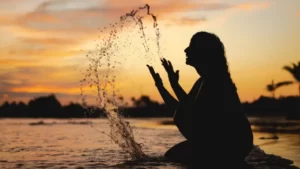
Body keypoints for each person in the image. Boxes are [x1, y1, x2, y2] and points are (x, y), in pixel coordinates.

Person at [147, 31, 253, 168]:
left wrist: (174, 84)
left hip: (232, 146)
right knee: (171, 155)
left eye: (191, 46)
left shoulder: (216, 79)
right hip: (219, 143)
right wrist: (160, 86)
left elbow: (193, 111)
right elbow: (179, 110)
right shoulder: (203, 80)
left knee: (174, 157)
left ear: (204, 52)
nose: (186, 50)